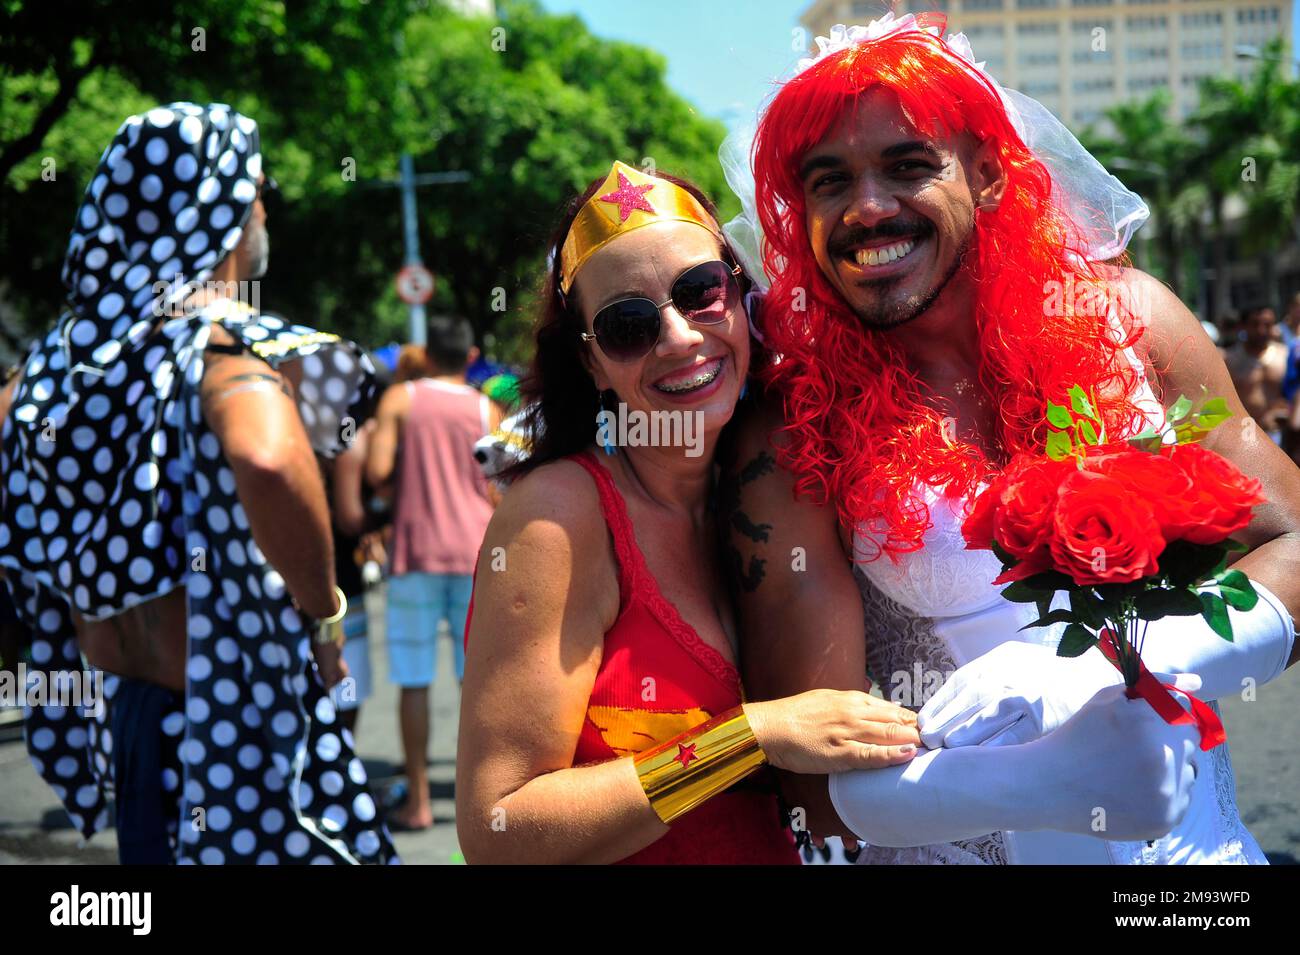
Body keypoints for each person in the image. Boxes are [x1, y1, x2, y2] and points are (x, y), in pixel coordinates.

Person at [452, 161, 1193, 865]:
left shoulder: (757, 483)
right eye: (627, 325)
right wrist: (749, 737)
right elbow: (499, 824)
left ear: (743, 297)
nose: (679, 336)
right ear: (590, 362)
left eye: (700, 291)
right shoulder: (558, 517)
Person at [722, 15, 1297, 864]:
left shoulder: (1131, 320)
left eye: (909, 164)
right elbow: (814, 781)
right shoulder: (795, 428)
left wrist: (1098, 665)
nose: (868, 207)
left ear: (987, 174)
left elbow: (1290, 536)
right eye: (828, 180)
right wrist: (1039, 782)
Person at [0, 103, 396, 864]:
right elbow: (269, 458)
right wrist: (323, 618)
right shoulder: (217, 353)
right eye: (258, 188)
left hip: (131, 715)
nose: (266, 208)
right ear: (219, 207)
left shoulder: (56, 370)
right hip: (233, 729)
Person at [366, 315, 500, 831]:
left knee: (414, 679)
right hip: (479, 555)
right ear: (470, 358)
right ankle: (479, 802)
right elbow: (498, 487)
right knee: (481, 681)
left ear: (424, 355)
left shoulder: (401, 401)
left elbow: (377, 472)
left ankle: (418, 801)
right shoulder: (486, 407)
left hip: (415, 554)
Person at [1224, 304, 1288, 441]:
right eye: (1255, 324)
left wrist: (1281, 411)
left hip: (1279, 435)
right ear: (1243, 326)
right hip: (1242, 434)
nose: (1261, 330)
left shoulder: (1285, 356)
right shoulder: (1228, 360)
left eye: (1267, 325)